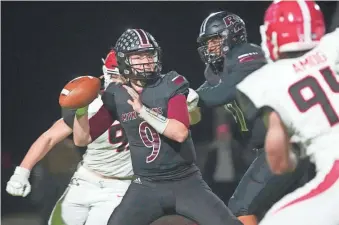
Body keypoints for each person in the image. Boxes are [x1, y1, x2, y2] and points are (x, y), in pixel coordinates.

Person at [71, 28, 242, 225]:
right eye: (138, 56)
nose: (146, 61)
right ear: (124, 60)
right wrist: (80, 110)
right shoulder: (115, 94)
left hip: (185, 182)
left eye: (149, 54)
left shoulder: (171, 83)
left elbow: (179, 133)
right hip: (146, 185)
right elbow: (82, 139)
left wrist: (143, 111)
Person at [188, 11, 314, 225]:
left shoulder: (249, 55)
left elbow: (220, 93)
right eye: (207, 43)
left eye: (215, 40)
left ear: (232, 36)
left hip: (287, 144)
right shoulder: (216, 70)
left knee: (241, 207)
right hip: (268, 148)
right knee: (283, 213)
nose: (210, 47)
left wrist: (188, 96)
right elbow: (203, 93)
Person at [236, 1, 339, 225]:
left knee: (274, 220)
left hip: (335, 171)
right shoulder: (333, 46)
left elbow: (280, 163)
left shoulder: (269, 79)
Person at [6, 50, 133, 225]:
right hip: (86, 179)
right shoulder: (92, 103)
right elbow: (50, 137)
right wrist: (22, 171)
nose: (121, 82)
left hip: (120, 186)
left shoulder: (149, 101)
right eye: (117, 76)